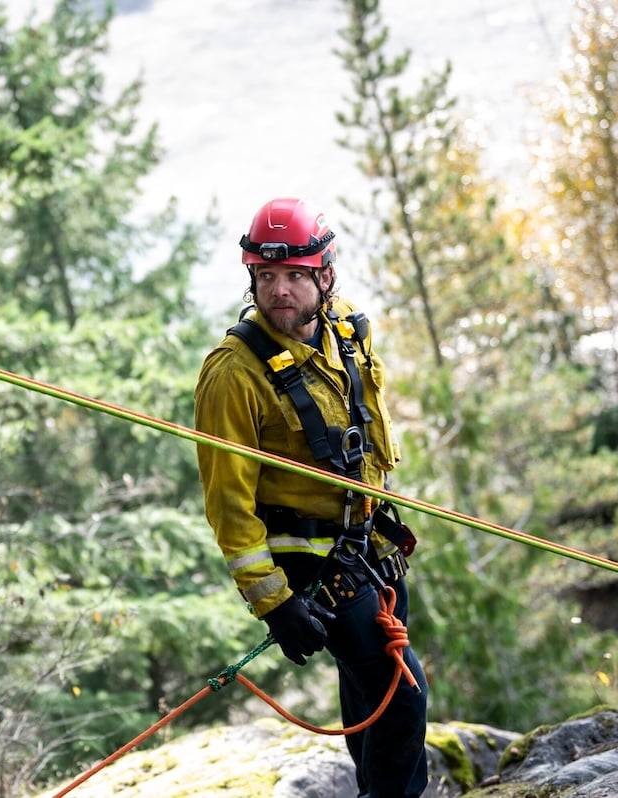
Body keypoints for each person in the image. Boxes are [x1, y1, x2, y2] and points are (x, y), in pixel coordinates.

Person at [194, 197, 429, 798]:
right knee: (401, 694)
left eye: (296, 275)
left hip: (367, 542)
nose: (279, 291)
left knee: (368, 689)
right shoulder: (233, 374)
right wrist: (274, 601)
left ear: (325, 276)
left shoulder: (346, 331)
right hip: (308, 561)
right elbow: (228, 504)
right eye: (266, 276)